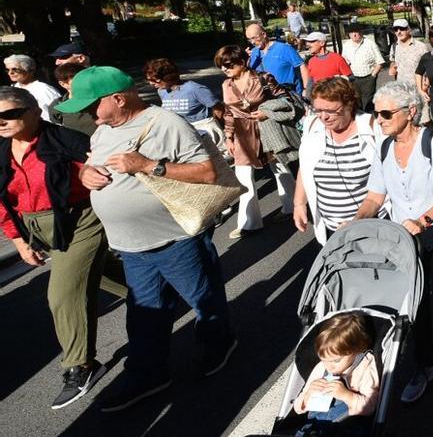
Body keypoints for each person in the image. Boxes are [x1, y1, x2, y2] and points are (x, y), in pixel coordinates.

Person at [59, 66, 237, 412]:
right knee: (144, 314)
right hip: (130, 244)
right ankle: (147, 373)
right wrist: (86, 174)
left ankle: (219, 344)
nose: (87, 113)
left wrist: (147, 165)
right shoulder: (103, 130)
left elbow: (207, 172)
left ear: (118, 99)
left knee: (203, 299)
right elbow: (91, 164)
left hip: (175, 238)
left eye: (91, 105)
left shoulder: (166, 123)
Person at [353, 82, 433, 402]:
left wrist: (424, 220)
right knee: (416, 304)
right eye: (375, 113)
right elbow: (374, 196)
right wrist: (357, 222)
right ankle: (425, 365)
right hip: (407, 239)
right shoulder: (384, 148)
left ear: (410, 112)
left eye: (385, 113)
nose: (378, 120)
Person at [0, 86, 120, 409]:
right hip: (37, 227)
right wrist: (19, 241)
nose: (1, 121)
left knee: (63, 293)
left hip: (80, 220)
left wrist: (92, 170)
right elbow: (2, 202)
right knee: (100, 274)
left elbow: (100, 171)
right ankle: (156, 294)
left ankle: (81, 364)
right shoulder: (2, 151)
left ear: (34, 112)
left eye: (9, 114)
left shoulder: (66, 141)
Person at [292, 78, 380, 245]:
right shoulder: (313, 126)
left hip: (370, 225)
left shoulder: (372, 128)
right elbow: (305, 167)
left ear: (349, 105)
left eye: (330, 110)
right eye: (318, 110)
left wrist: (357, 221)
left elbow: (387, 181)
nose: (323, 117)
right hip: (329, 229)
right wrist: (299, 203)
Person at [218, 45, 292, 239]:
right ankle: (249, 223)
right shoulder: (226, 85)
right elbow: (228, 112)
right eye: (221, 66)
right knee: (243, 176)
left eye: (228, 65)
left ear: (242, 62)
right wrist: (228, 136)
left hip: (267, 128)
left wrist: (267, 113)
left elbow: (284, 98)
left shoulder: (263, 78)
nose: (224, 69)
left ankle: (291, 206)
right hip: (242, 133)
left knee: (280, 168)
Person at [292, 311, 380, 435]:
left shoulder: (365, 366)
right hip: (316, 424)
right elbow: (297, 408)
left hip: (347, 424)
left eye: (336, 360)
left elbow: (371, 407)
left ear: (357, 349)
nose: (329, 366)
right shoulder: (321, 367)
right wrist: (308, 396)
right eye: (323, 359)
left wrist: (346, 395)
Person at [257, 72, 306, 180]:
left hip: (296, 133)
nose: (271, 80)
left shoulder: (284, 92)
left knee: (301, 167)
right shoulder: (267, 99)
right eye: (267, 81)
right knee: (293, 170)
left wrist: (266, 113)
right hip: (285, 139)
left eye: (271, 79)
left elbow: (296, 109)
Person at [247, 22, 307, 95]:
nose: (252, 42)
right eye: (249, 39)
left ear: (264, 34)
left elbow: (302, 66)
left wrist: (305, 89)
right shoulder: (253, 53)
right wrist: (245, 61)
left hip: (288, 95)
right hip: (267, 97)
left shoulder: (284, 48)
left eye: (254, 38)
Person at [341, 24, 385, 111]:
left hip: (368, 78)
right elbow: (344, 61)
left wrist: (373, 75)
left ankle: (369, 116)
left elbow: (380, 61)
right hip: (353, 78)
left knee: (368, 102)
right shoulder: (346, 45)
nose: (354, 35)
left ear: (360, 32)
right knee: (356, 101)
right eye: (351, 33)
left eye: (356, 32)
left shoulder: (370, 43)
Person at [5, 54, 61, 121]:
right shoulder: (13, 89)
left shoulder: (45, 90)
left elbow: (61, 114)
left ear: (29, 70)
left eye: (15, 69)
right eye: (7, 70)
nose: (10, 73)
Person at [49, 63, 99, 136]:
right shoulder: (57, 106)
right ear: (63, 84)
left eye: (83, 77)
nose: (82, 81)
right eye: (77, 79)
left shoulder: (98, 97)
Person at [388, 18, 429, 87]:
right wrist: (392, 68)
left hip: (418, 87)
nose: (399, 32)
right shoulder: (394, 47)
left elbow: (428, 67)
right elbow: (393, 62)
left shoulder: (421, 46)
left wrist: (425, 85)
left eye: (402, 29)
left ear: (408, 29)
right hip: (401, 88)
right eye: (396, 29)